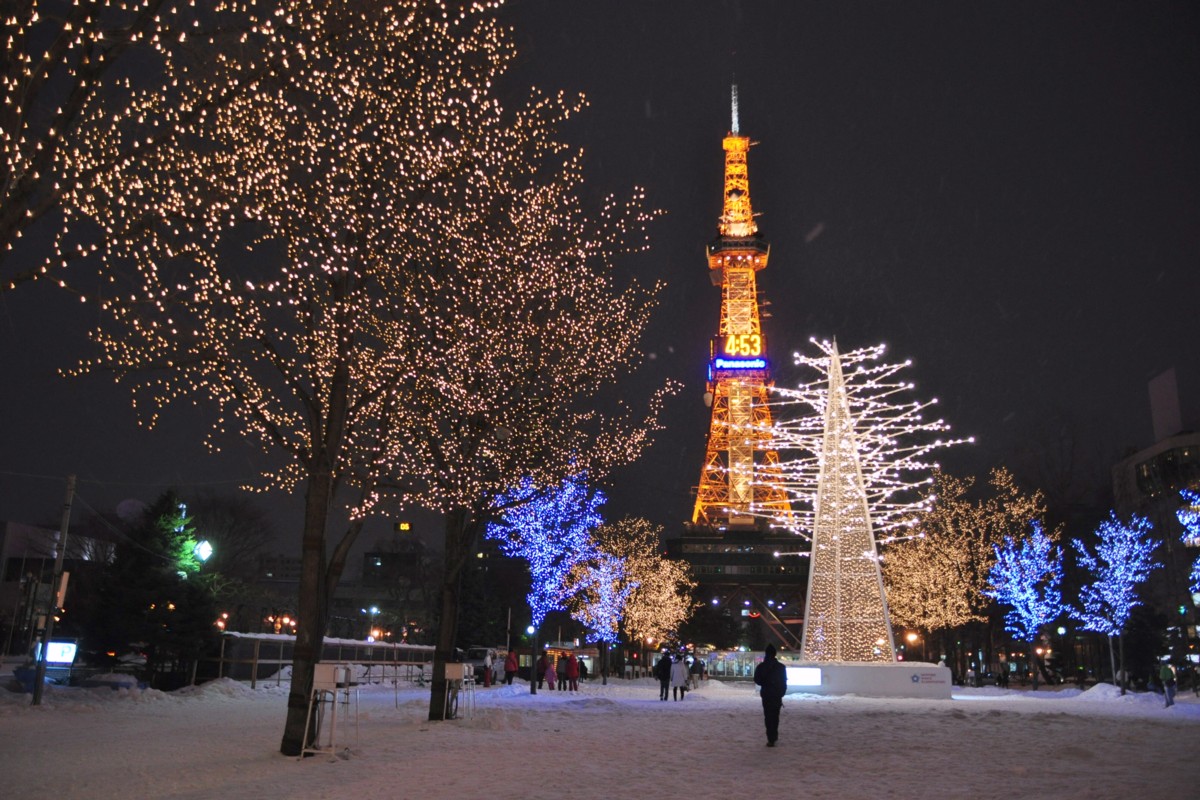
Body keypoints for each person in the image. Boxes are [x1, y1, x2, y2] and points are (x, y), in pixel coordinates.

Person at [753, 644, 788, 747]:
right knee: (775, 716)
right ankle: (774, 735)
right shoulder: (781, 667)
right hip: (776, 695)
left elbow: (757, 680)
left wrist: (765, 683)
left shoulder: (761, 666)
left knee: (768, 716)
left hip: (766, 694)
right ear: (775, 654)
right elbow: (783, 681)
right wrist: (781, 692)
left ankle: (770, 738)